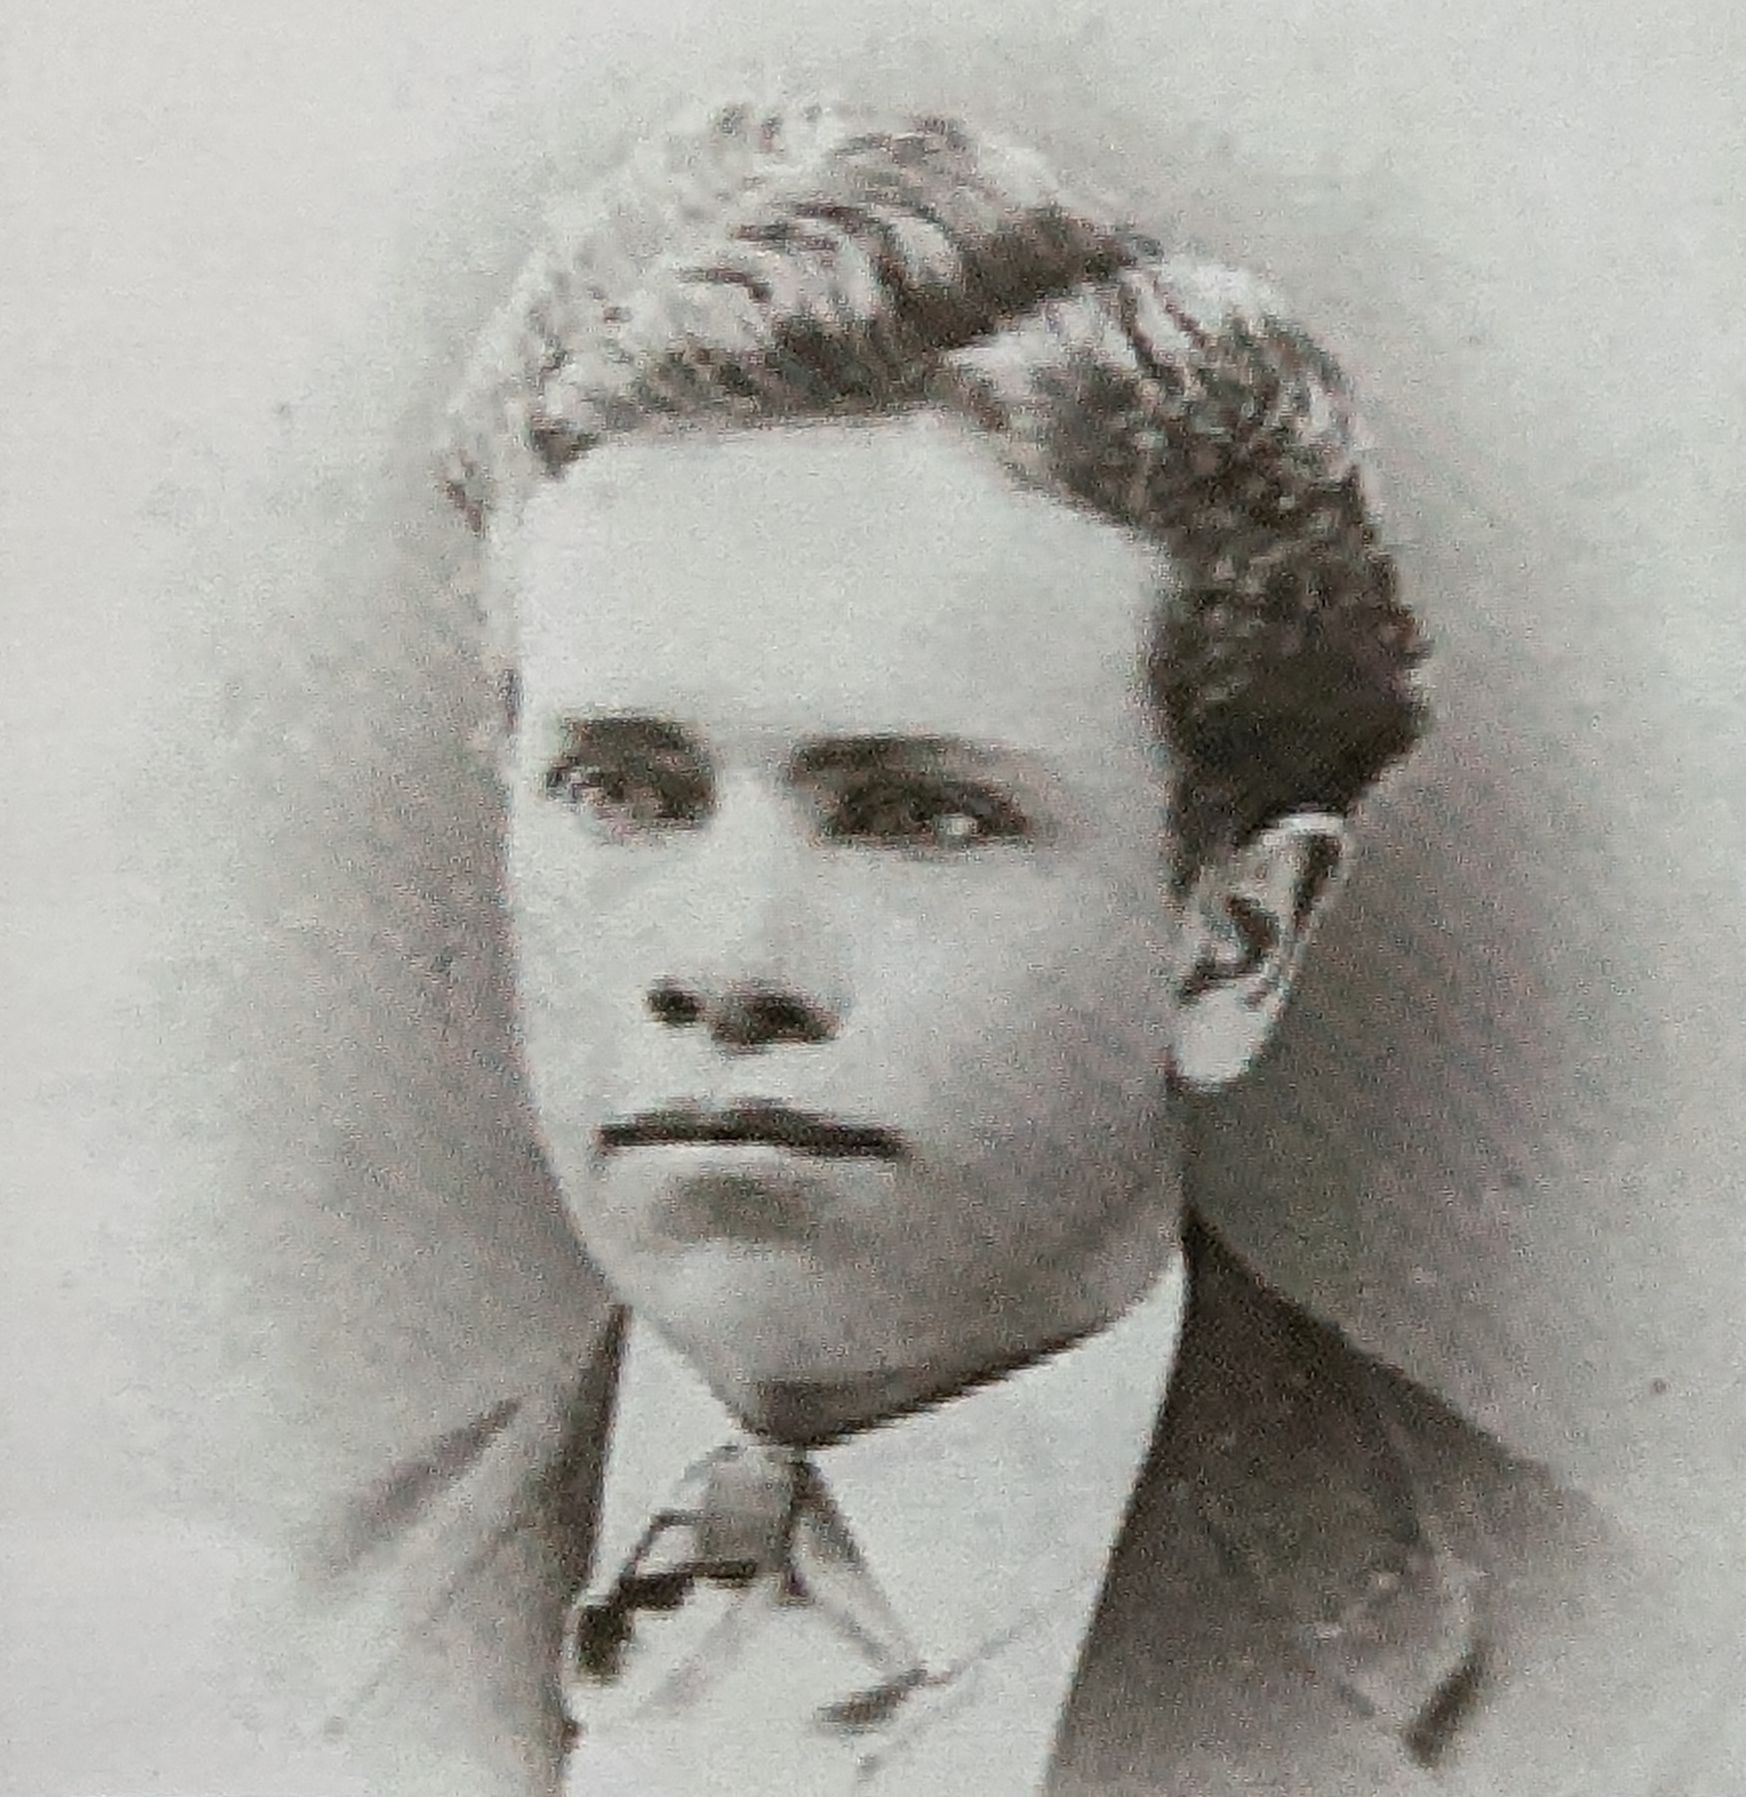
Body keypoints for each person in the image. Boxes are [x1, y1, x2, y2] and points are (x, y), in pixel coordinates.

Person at [290, 96, 1717, 1796]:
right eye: (626, 792)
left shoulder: (1639, 1718)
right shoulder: (221, 1674)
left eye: (917, 814)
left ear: (1230, 943)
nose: (729, 965)